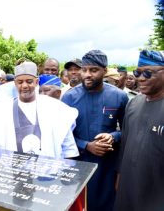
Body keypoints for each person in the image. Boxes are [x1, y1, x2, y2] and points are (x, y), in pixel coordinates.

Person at [62, 50, 129, 211]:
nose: (87, 74)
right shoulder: (69, 97)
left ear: (104, 71)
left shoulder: (119, 96)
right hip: (78, 166)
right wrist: (86, 145)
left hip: (108, 167)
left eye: (93, 70)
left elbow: (128, 130)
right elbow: (63, 136)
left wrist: (113, 136)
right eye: (84, 70)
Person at [114, 50, 164, 211]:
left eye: (148, 73)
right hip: (128, 189)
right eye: (138, 72)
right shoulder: (133, 103)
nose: (141, 78)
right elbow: (125, 143)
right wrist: (120, 176)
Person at [0, 61, 79, 159]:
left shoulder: (56, 108)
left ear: (36, 82)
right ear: (15, 83)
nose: (24, 86)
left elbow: (69, 149)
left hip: (50, 170)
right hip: (13, 170)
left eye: (29, 81)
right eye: (20, 82)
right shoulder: (4, 109)